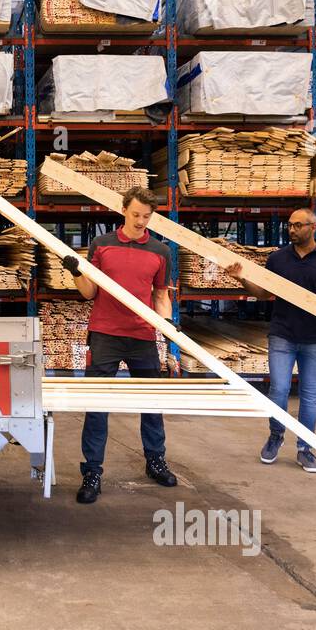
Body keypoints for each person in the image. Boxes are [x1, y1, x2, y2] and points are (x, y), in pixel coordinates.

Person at [63, 186, 178, 504]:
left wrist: (166, 326)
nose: (141, 221)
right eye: (136, 214)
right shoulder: (102, 246)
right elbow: (89, 292)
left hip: (142, 335)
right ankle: (92, 472)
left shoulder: (160, 251)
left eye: (147, 216)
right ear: (124, 210)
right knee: (98, 406)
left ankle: (155, 461)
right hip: (105, 335)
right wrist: (76, 273)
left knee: (151, 403)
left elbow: (160, 296)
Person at [224, 207, 316, 473]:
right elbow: (264, 293)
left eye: (298, 226)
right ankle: (276, 437)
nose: (292, 230)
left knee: (310, 397)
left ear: (313, 227)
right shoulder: (278, 259)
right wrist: (242, 280)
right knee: (278, 390)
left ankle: (305, 449)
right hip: (283, 335)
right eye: (289, 225)